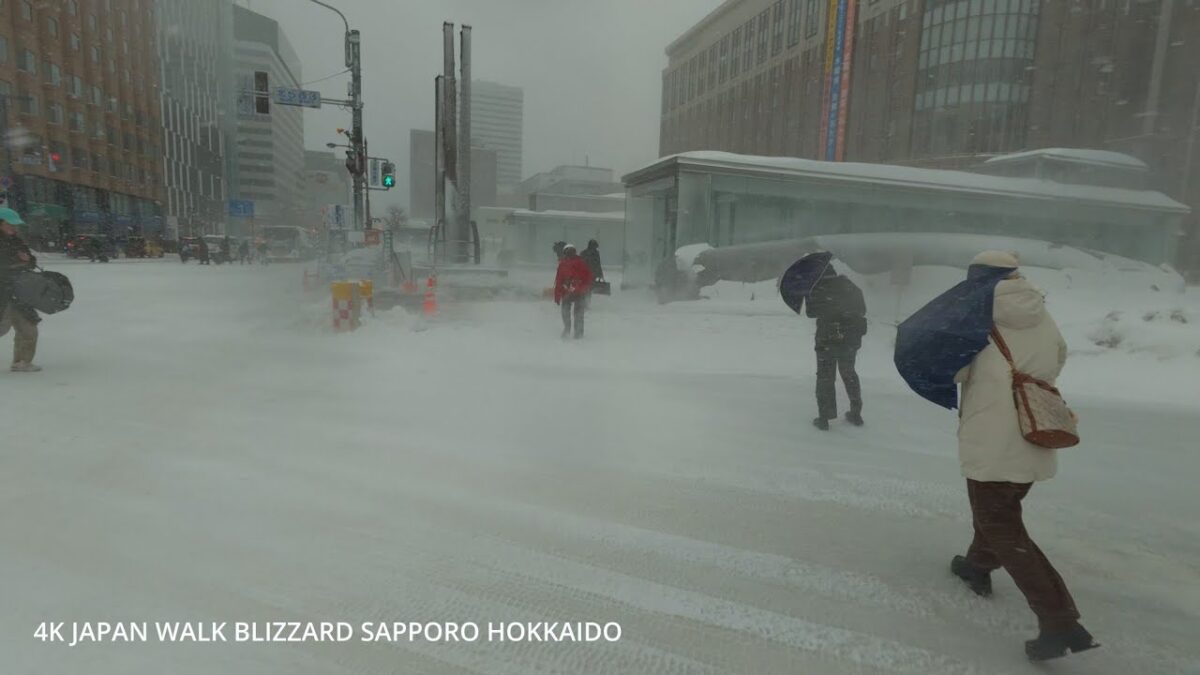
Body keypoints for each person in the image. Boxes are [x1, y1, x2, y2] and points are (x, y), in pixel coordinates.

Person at [950, 250, 1097, 662]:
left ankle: (1060, 621)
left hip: (993, 437)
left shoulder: (977, 317)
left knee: (1003, 526)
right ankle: (977, 566)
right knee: (1002, 509)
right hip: (1035, 429)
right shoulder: (1038, 309)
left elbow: (958, 372)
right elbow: (1059, 357)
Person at [805, 263, 867, 430]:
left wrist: (809, 293)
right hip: (849, 340)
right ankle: (856, 412)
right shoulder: (849, 286)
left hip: (827, 340)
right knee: (849, 373)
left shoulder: (816, 289)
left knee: (825, 376)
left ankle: (824, 418)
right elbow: (862, 309)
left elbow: (810, 313)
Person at [0, 209, 42, 372]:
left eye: (15, 225)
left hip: (20, 292)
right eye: (10, 224)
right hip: (2, 293)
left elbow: (31, 261)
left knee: (28, 328)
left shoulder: (16, 240)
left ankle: (22, 362)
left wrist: (26, 261)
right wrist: (17, 263)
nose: (14, 228)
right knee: (2, 327)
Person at [553, 244, 592, 339]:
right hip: (578, 292)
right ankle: (578, 333)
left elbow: (558, 280)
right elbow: (589, 278)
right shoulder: (581, 263)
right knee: (578, 313)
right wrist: (583, 288)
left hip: (568, 291)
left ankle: (567, 329)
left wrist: (557, 295)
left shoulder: (563, 264)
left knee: (566, 311)